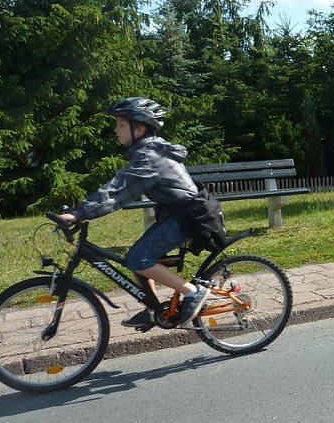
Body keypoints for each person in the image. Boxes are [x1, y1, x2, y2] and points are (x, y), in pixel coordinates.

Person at [59, 97, 222, 328]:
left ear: (139, 128)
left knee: (138, 258)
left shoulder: (149, 157)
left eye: (121, 125)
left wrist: (78, 213)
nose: (116, 130)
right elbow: (118, 186)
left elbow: (118, 191)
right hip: (179, 214)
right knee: (137, 257)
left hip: (188, 216)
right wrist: (79, 210)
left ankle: (192, 292)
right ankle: (153, 307)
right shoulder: (147, 152)